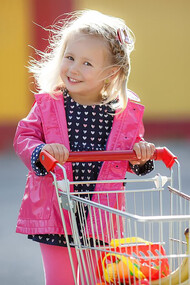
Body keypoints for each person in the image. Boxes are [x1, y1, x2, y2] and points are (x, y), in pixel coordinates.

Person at [14, 10, 155, 285]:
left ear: (111, 72)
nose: (74, 69)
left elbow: (131, 148)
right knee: (61, 280)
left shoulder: (122, 112)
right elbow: (25, 136)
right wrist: (41, 152)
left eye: (87, 63)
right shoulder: (49, 103)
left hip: (101, 213)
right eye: (70, 58)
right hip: (57, 207)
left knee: (96, 279)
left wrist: (141, 155)